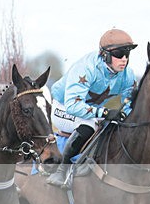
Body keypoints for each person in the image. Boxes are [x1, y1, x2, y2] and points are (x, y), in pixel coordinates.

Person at [46, 29, 138, 188]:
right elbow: (73, 105)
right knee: (89, 125)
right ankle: (61, 172)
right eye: (119, 54)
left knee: (114, 126)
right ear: (105, 55)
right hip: (64, 107)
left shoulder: (127, 75)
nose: (124, 59)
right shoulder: (85, 68)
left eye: (127, 53)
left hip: (89, 110)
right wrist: (105, 112)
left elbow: (129, 105)